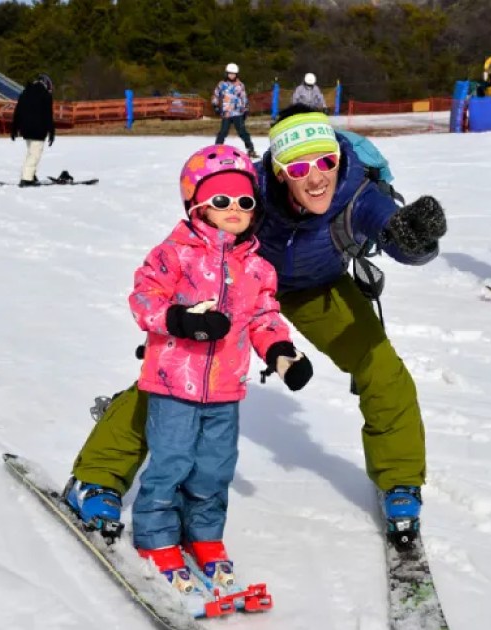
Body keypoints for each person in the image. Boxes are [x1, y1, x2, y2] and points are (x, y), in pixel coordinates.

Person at [64, 105, 448, 551]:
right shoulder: (253, 190)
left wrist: (419, 242)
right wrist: (178, 311)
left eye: (326, 160)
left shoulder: (359, 191)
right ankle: (95, 479)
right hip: (240, 280)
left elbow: (395, 237)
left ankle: (400, 482)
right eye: (300, 167)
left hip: (317, 287)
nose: (318, 176)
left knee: (381, 369)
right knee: (170, 381)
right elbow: (201, 224)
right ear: (280, 171)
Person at [88, 143, 314, 594]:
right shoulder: (175, 253)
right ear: (198, 206)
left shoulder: (258, 266)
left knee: (214, 467)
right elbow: (144, 299)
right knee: (170, 462)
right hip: (173, 383)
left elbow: (264, 317)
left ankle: (205, 536)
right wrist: (180, 319)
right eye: (221, 200)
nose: (234, 209)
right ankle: (155, 536)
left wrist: (282, 353)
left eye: (245, 201)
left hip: (226, 388)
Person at [10, 74, 56, 187]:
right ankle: (26, 179)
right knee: (34, 155)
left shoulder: (25, 93)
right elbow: (48, 115)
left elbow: (18, 112)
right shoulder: (45, 95)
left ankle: (31, 175)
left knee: (31, 152)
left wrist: (14, 128)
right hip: (38, 130)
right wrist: (51, 132)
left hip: (25, 129)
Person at [212, 63, 258, 159]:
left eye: (234, 74)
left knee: (242, 132)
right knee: (223, 132)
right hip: (227, 113)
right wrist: (215, 105)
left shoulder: (240, 85)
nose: (232, 76)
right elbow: (216, 95)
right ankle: (215, 150)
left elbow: (243, 97)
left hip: (238, 113)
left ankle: (251, 149)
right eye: (230, 74)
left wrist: (246, 110)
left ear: (236, 74)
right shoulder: (222, 84)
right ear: (226, 74)